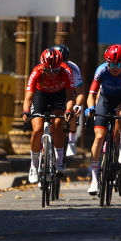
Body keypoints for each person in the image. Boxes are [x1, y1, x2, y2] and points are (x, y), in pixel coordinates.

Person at [86, 45, 121, 196]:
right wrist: (90, 107)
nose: (114, 68)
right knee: (99, 137)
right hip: (105, 100)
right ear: (106, 62)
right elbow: (91, 93)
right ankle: (95, 180)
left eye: (118, 64)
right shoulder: (101, 70)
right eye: (111, 64)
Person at [22, 48, 75, 183]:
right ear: (43, 67)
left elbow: (70, 96)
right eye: (48, 70)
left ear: (60, 66)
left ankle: (58, 161)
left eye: (55, 70)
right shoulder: (36, 72)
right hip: (41, 96)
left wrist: (69, 110)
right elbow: (28, 97)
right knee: (38, 129)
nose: (52, 74)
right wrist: (26, 111)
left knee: (57, 123)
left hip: (59, 96)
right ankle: (33, 166)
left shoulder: (66, 72)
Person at [50, 44, 84, 157]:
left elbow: (79, 93)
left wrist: (78, 105)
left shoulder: (73, 69)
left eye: (63, 62)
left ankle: (71, 140)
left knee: (73, 109)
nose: (60, 66)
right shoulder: (47, 64)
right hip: (53, 92)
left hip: (69, 94)